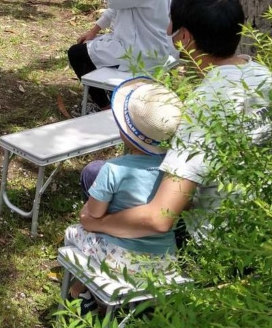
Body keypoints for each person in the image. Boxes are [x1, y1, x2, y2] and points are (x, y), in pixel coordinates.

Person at [80, 0, 272, 248]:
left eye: (172, 27)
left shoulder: (206, 104)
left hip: (214, 242)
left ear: (186, 37)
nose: (169, 33)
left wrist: (96, 223)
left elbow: (160, 217)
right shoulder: (268, 78)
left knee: (95, 174)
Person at [64, 77, 184, 308]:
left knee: (73, 233)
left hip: (121, 260)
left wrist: (87, 212)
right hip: (165, 260)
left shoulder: (113, 169)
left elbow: (94, 214)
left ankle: (79, 293)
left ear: (125, 132)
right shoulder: (176, 171)